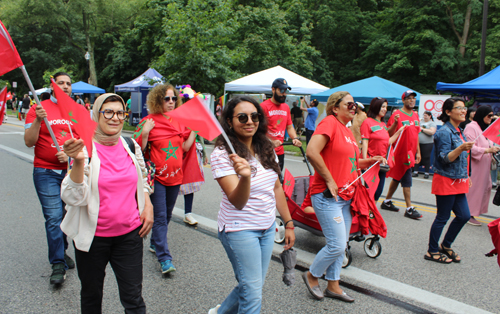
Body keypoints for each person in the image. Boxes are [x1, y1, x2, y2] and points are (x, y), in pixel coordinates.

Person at [60, 93, 154, 313]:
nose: (115, 118)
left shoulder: (130, 144)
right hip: (93, 239)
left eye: (120, 112)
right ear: (96, 114)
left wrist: (147, 203)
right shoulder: (84, 148)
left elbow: (142, 175)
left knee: (134, 299)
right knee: (92, 296)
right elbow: (73, 197)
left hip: (130, 235)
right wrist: (79, 161)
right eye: (108, 112)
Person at [209, 96, 295, 313]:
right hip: (239, 228)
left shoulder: (266, 147)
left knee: (251, 285)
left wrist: (289, 223)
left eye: (254, 116)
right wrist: (245, 176)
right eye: (242, 117)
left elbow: (276, 188)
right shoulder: (222, 154)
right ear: (229, 121)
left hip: (267, 228)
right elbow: (237, 202)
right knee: (252, 291)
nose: (250, 121)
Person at [303, 91, 385, 302]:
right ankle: (312, 275)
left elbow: (351, 163)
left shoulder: (348, 132)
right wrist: (330, 180)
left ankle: (334, 285)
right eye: (348, 104)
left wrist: (370, 160)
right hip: (327, 195)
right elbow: (311, 151)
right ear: (335, 107)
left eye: (354, 105)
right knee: (337, 244)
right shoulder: (329, 123)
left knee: (342, 244)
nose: (353, 107)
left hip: (346, 197)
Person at [132, 84, 196, 273]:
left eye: (173, 99)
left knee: (167, 215)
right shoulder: (148, 121)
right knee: (160, 217)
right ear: (158, 100)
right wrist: (145, 133)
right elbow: (138, 150)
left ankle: (154, 243)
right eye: (166, 98)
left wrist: (193, 130)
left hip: (176, 177)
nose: (170, 102)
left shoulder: (179, 121)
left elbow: (184, 148)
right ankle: (164, 258)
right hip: (157, 177)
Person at [24, 72, 75, 285]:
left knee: (65, 216)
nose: (65, 86)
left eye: (68, 83)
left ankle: (61, 249)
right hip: (46, 172)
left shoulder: (76, 110)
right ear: (52, 86)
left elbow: (85, 141)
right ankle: (57, 263)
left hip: (71, 172)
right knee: (54, 217)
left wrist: (71, 155)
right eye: (60, 83)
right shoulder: (39, 108)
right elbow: (29, 141)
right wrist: (37, 119)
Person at [425, 97, 473, 264]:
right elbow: (445, 158)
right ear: (448, 112)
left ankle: (445, 245)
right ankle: (431, 250)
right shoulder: (444, 132)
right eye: (459, 108)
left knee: (464, 215)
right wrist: (460, 148)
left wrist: (467, 175)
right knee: (443, 217)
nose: (463, 111)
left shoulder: (459, 130)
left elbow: (464, 159)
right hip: (446, 179)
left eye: (464, 108)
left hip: (458, 180)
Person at [380, 90, 423, 219]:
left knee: (398, 177)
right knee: (407, 178)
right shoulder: (397, 114)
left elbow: (416, 135)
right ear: (403, 100)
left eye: (413, 98)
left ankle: (387, 201)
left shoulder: (415, 115)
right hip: (400, 152)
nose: (412, 100)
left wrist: (418, 152)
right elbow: (388, 133)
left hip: (410, 153)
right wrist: (395, 122)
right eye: (409, 98)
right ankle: (409, 208)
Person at [360, 97, 404, 201]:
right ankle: (368, 214)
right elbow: (365, 142)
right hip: (371, 162)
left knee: (378, 193)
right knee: (370, 192)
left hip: (382, 163)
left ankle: (371, 214)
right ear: (376, 107)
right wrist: (366, 160)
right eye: (382, 106)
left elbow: (388, 141)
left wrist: (399, 130)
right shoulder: (367, 122)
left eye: (386, 107)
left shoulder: (383, 124)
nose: (385, 109)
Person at [464, 106, 500, 226]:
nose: (491, 118)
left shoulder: (483, 128)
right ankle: (468, 213)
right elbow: (470, 147)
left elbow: (487, 143)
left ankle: (473, 212)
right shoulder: (471, 127)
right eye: (488, 115)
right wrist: (488, 150)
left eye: (492, 116)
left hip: (484, 165)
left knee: (485, 187)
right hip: (475, 165)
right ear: (481, 115)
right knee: (474, 189)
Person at [261, 78, 302, 171]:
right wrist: (270, 141)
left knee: (279, 179)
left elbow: (290, 126)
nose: (284, 94)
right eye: (281, 90)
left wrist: (295, 138)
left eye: (286, 91)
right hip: (266, 152)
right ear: (273, 89)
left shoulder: (286, 107)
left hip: (280, 152)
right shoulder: (263, 107)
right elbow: (258, 130)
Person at [179, 133, 208, 225]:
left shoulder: (196, 121)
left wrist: (204, 154)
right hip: (178, 151)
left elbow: (201, 138)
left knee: (189, 182)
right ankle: (163, 211)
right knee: (172, 181)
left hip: (194, 152)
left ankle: (188, 213)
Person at [413, 111, 437, 179]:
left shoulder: (432, 123)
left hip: (427, 143)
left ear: (430, 116)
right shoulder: (420, 121)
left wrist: (422, 129)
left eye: (426, 115)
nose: (425, 117)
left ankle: (427, 173)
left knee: (426, 157)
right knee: (417, 156)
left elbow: (432, 132)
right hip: (418, 143)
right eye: (424, 115)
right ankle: (415, 171)